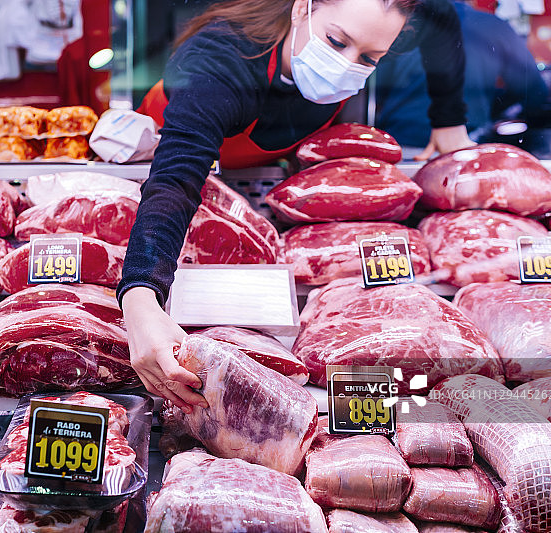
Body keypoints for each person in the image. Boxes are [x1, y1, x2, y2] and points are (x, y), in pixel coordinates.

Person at [117, 0, 476, 411]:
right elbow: (175, 180)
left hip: (255, 192)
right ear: (302, 8)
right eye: (336, 41)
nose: (346, 64)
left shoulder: (401, 18)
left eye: (369, 58)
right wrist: (141, 299)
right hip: (176, 172)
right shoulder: (221, 57)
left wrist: (449, 121)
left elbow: (442, 19)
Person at [375, 0, 549, 147]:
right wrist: (491, 102)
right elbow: (534, 93)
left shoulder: (404, 23)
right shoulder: (494, 27)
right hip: (463, 141)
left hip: (400, 142)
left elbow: (379, 84)